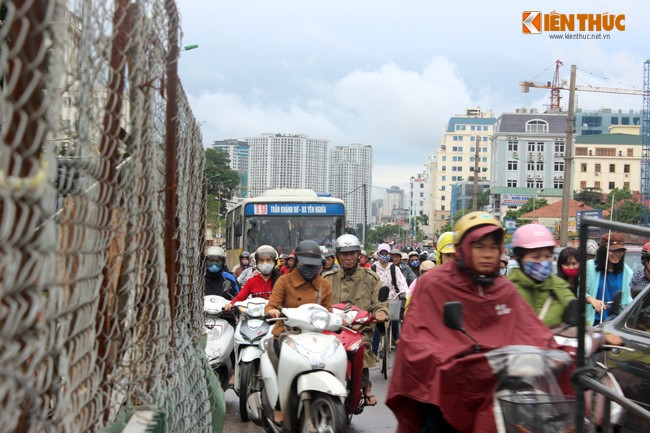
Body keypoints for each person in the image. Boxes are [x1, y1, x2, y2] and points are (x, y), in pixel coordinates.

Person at [387, 212, 567, 433]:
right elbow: (416, 339)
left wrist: (558, 351)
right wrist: (449, 358)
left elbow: (531, 330)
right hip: (447, 387)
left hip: (497, 386)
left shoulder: (505, 289)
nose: (488, 254)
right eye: (479, 246)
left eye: (493, 247)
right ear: (463, 248)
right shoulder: (434, 284)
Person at [264, 240, 333, 426]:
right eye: (305, 264)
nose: (309, 268)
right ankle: (279, 404)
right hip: (287, 335)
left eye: (313, 264)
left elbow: (328, 312)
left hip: (315, 336)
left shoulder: (324, 285)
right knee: (284, 368)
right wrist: (273, 311)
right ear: (296, 262)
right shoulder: (284, 281)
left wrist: (336, 321)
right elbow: (272, 304)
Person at [323, 234, 389, 408]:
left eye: (352, 253)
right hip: (332, 330)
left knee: (362, 346)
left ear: (359, 254)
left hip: (360, 330)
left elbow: (380, 303)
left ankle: (365, 386)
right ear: (338, 256)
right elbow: (316, 302)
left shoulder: (371, 278)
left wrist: (381, 313)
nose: (349, 257)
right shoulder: (327, 279)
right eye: (344, 254)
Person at [507, 224, 575, 329]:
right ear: (519, 258)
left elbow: (582, 324)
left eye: (548, 256)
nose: (543, 262)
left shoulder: (559, 286)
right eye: (536, 256)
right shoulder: (507, 289)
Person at [586, 232, 633, 325]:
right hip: (592, 323)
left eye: (620, 251)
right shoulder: (590, 266)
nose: (617, 254)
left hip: (615, 324)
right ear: (604, 251)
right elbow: (580, 292)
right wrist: (592, 300)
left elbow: (626, 299)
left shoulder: (626, 271)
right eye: (612, 250)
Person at [371, 244, 409, 354]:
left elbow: (402, 283)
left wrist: (403, 293)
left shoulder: (394, 268)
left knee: (395, 319)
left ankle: (396, 339)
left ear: (389, 255)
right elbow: (367, 285)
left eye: (386, 254)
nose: (384, 256)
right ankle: (374, 351)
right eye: (381, 254)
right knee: (378, 323)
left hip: (393, 298)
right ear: (378, 254)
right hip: (378, 300)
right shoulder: (373, 268)